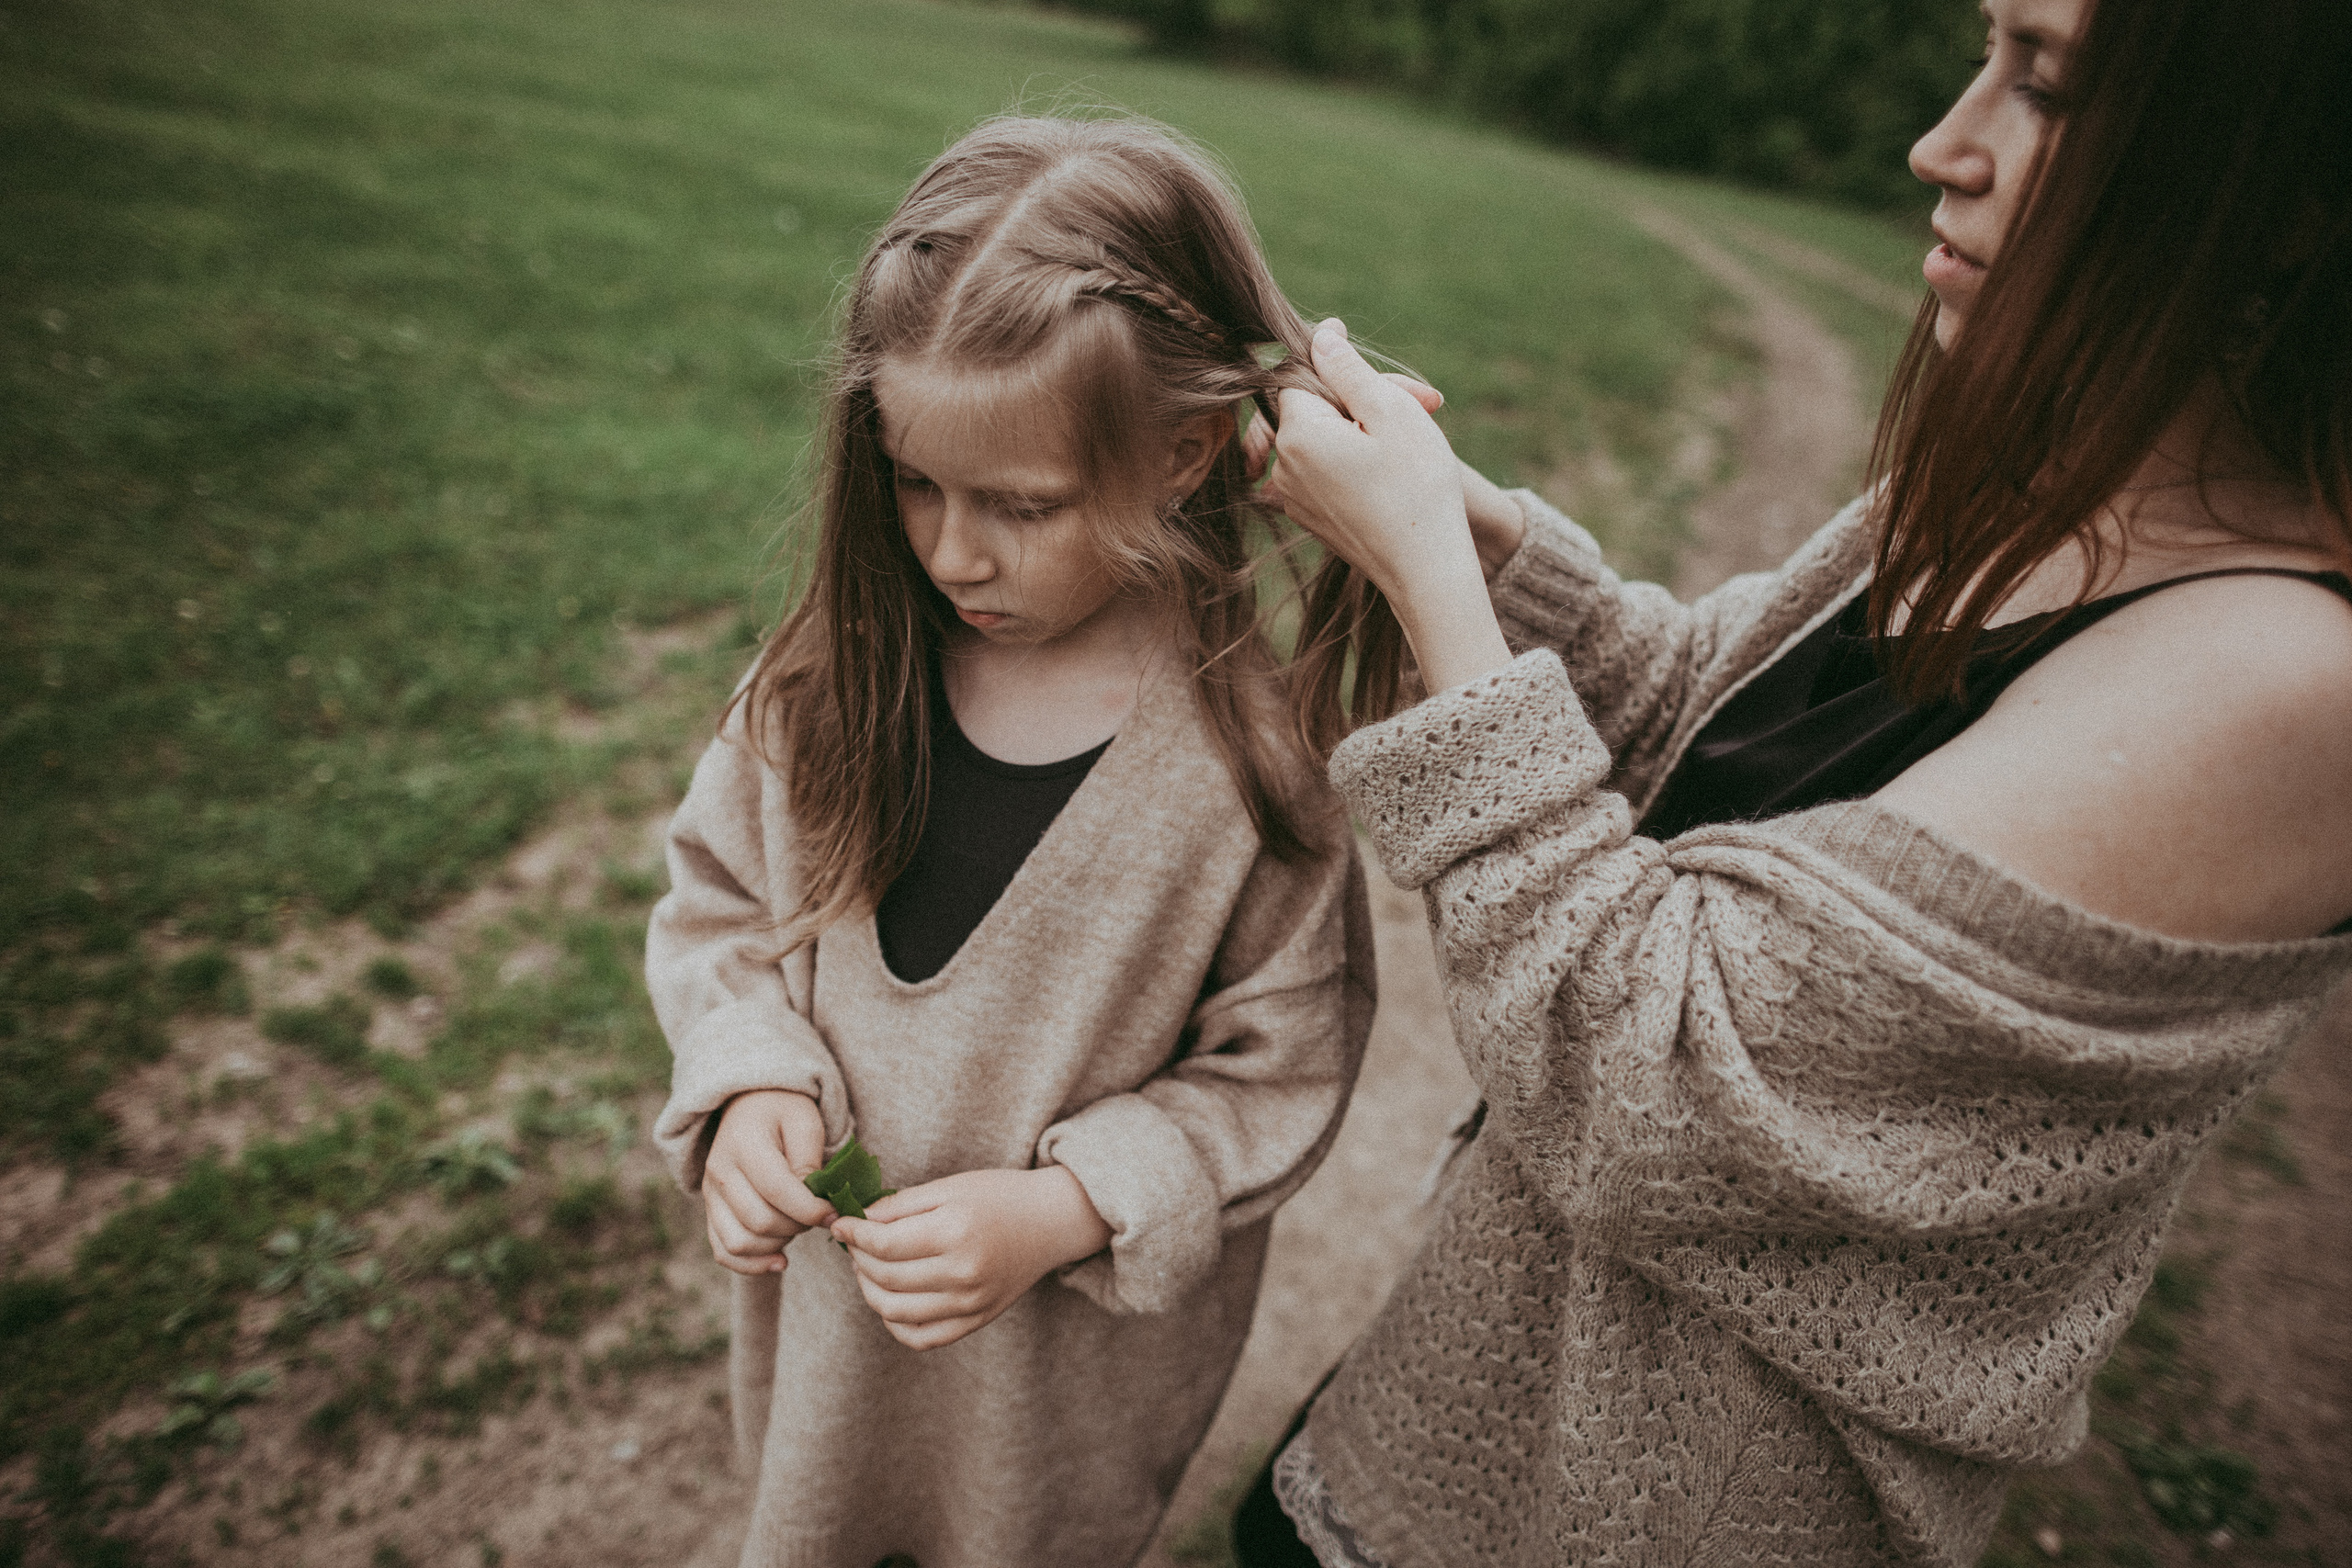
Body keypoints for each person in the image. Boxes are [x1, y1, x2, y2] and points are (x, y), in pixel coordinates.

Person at [1236, 0, 2352, 1562]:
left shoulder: (2289, 685)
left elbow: (1656, 1077)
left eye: (2050, 90)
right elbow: (1712, 728)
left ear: (2287, 188)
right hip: (1442, 1416)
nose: (1942, 147)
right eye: (1984, 55)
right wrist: (1471, 535)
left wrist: (1426, 576)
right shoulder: (2042, 481)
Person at [644, 116, 1382, 1568]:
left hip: (1053, 1405)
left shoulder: (1247, 773)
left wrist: (1067, 1207)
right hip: (835, 1373)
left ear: (1179, 450)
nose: (952, 552)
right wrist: (746, 1085)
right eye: (916, 482)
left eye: (1019, 506)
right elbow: (721, 906)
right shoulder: (830, 675)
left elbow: (1279, 1072)